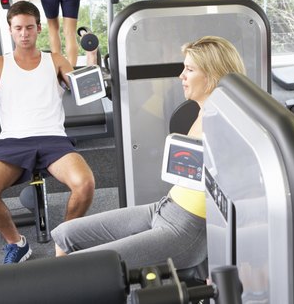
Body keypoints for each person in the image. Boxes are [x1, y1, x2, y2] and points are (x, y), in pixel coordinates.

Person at [51, 36, 245, 270]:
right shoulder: (204, 109)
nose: (181, 76)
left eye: (190, 70)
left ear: (213, 75)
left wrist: (222, 262)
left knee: (79, 268)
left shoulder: (224, 122)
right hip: (165, 206)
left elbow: (238, 191)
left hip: (185, 228)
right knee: (64, 234)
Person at [0, 0, 95, 264]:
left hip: (54, 140)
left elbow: (85, 93)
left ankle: (65, 241)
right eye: (18, 28)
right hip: (11, 142)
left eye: (29, 27)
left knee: (85, 184)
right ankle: (16, 243)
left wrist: (92, 57)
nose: (24, 33)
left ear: (39, 28)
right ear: (10, 30)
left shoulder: (55, 60)